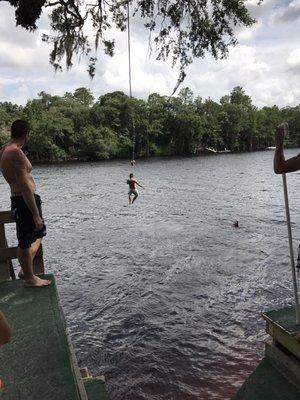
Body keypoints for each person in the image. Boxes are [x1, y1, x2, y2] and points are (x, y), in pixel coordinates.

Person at [0, 120, 51, 287]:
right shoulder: (15, 153)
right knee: (26, 240)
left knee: (37, 234)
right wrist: (35, 214)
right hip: (24, 200)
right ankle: (29, 277)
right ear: (26, 134)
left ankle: (25, 270)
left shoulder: (5, 150)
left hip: (19, 199)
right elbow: (24, 187)